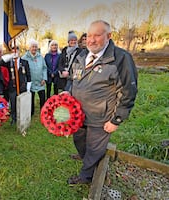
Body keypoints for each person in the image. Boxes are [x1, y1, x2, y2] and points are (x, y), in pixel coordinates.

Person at [66, 20, 138, 184]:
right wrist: (67, 92)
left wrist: (116, 120)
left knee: (94, 148)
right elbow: (72, 79)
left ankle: (86, 176)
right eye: (89, 35)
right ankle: (86, 158)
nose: (91, 40)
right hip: (78, 114)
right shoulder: (82, 55)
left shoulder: (120, 58)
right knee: (79, 140)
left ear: (109, 36)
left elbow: (128, 91)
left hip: (101, 117)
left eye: (97, 35)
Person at [0, 46, 31, 125]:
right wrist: (10, 56)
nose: (15, 52)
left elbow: (28, 75)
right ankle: (14, 118)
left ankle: (22, 118)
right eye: (13, 51)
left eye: (16, 50)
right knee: (13, 104)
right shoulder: (9, 62)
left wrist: (28, 88)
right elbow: (0, 62)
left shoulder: (24, 62)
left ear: (19, 52)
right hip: (12, 87)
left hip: (22, 87)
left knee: (22, 104)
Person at [22, 39, 47, 116]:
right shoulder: (24, 58)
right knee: (31, 98)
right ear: (29, 48)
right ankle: (31, 112)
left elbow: (44, 68)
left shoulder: (40, 57)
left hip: (40, 81)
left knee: (42, 97)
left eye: (36, 47)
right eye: (32, 47)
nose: (34, 48)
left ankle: (43, 112)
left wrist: (44, 78)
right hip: (31, 82)